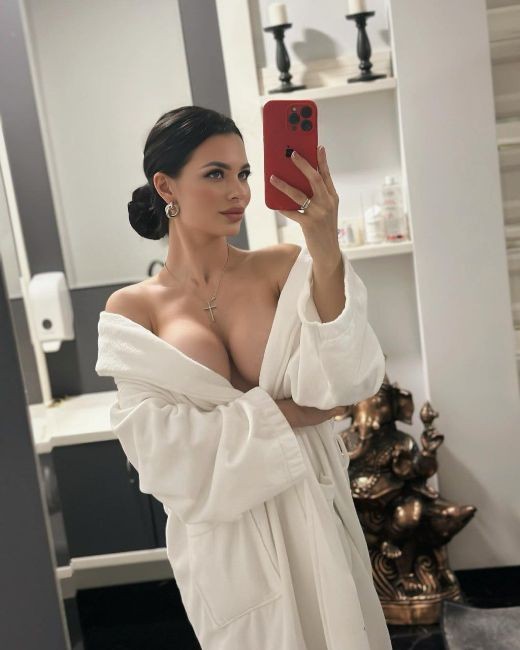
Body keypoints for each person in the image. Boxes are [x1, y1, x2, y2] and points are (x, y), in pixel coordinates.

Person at [96, 105, 392, 649]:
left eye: (244, 173)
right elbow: (159, 453)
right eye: (216, 174)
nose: (239, 191)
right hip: (223, 544)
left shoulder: (281, 267)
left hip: (313, 514)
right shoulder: (133, 310)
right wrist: (286, 414)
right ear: (166, 186)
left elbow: (345, 381)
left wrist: (324, 244)